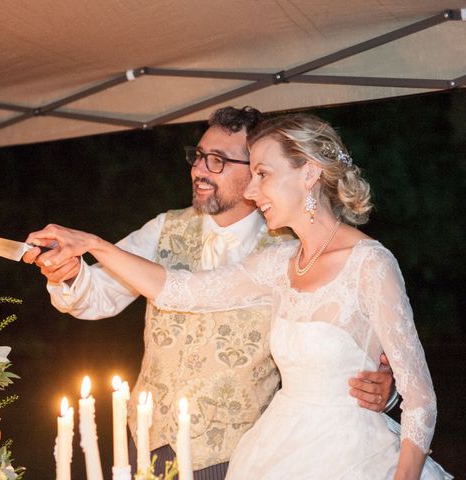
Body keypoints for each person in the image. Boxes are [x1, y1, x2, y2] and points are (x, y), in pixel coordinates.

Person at [24, 109, 395, 478]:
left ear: (257, 171)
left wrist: (385, 388)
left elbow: (350, 348)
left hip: (235, 456)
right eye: (198, 156)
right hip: (146, 443)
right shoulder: (164, 228)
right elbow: (97, 294)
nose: (199, 170)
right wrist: (71, 274)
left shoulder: (291, 250)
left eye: (217, 160)